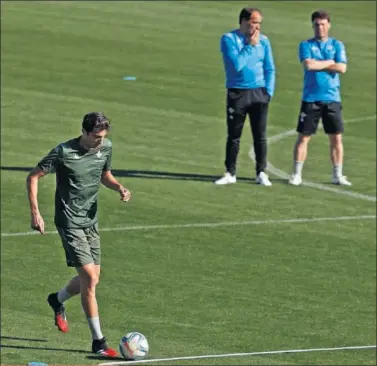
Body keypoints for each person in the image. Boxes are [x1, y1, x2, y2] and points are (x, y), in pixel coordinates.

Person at [26, 112, 131, 357]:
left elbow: (104, 175)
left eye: (103, 137)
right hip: (69, 221)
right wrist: (35, 213)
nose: (100, 141)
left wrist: (119, 187)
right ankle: (99, 343)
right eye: (96, 137)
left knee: (93, 276)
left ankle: (57, 299)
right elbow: (33, 177)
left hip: (90, 221)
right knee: (89, 279)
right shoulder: (64, 152)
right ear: (84, 132)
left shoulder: (105, 148)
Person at [289, 10, 351, 186]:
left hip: (332, 98)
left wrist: (320, 64)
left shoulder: (337, 45)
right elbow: (308, 65)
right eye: (317, 25)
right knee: (303, 137)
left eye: (323, 24)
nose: (320, 28)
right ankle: (296, 173)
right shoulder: (305, 45)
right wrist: (330, 63)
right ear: (312, 26)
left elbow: (342, 68)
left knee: (336, 138)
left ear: (329, 25)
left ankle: (337, 174)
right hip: (311, 98)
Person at [215, 7, 275, 186]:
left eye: (259, 23)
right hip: (237, 92)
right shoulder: (229, 39)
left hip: (259, 93)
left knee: (260, 135)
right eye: (254, 22)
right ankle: (230, 172)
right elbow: (236, 65)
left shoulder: (264, 41)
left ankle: (261, 172)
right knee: (234, 135)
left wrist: (268, 92)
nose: (257, 27)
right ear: (243, 21)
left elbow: (269, 68)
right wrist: (250, 46)